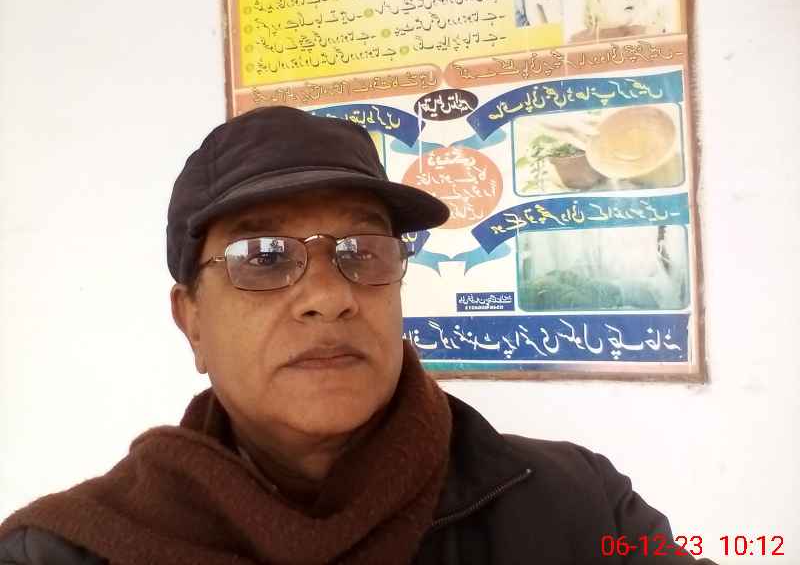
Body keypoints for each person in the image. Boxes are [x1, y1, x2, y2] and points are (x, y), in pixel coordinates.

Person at [0, 106, 716, 564]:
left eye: (362, 251)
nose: (328, 297)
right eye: (262, 257)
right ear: (191, 321)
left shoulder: (574, 507)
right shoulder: (67, 549)